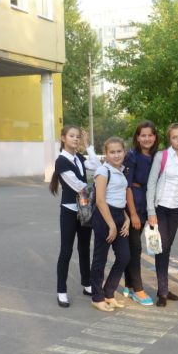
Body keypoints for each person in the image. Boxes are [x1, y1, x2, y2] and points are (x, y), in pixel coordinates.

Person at [49, 125, 100, 308]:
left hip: (84, 210)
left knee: (85, 248)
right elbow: (79, 186)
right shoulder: (61, 161)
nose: (76, 139)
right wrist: (98, 190)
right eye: (72, 136)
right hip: (70, 211)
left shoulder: (79, 157)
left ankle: (87, 284)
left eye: (78, 136)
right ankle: (61, 290)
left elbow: (97, 167)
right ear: (63, 138)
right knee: (66, 251)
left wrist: (88, 146)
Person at [146, 122, 178, 307]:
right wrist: (151, 211)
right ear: (170, 140)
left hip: (176, 208)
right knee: (161, 247)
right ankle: (162, 291)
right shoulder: (162, 156)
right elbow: (151, 183)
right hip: (160, 207)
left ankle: (163, 288)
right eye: (175, 137)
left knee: (167, 248)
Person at [90, 137, 131, 312]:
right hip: (104, 217)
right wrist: (111, 225)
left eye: (119, 151)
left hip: (119, 215)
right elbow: (100, 200)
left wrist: (127, 218)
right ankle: (97, 297)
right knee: (100, 258)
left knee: (124, 257)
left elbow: (119, 197)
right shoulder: (103, 170)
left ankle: (109, 293)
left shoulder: (121, 171)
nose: (116, 155)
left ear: (124, 152)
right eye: (112, 152)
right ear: (106, 154)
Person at [121, 121, 158, 306]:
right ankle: (138, 289)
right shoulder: (132, 156)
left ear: (155, 137)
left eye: (150, 135)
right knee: (135, 248)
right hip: (134, 204)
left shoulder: (157, 156)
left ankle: (128, 284)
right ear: (137, 137)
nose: (147, 138)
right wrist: (133, 214)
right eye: (143, 135)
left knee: (132, 246)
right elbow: (126, 186)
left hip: (148, 204)